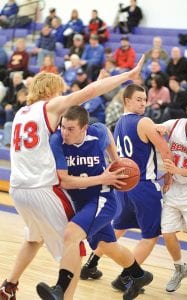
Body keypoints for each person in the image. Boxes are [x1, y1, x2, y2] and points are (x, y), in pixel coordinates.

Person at [0, 56, 145, 300]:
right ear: (52, 91)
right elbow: (87, 93)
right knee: (74, 249)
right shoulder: (50, 107)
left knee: (33, 239)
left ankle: (8, 287)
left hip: (18, 189)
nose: (63, 95)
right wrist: (126, 76)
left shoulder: (20, 114)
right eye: (60, 91)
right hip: (42, 189)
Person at [38, 105, 154, 300]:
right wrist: (103, 177)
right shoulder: (57, 140)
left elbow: (107, 133)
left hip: (102, 199)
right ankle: (139, 275)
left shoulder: (96, 132)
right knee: (107, 246)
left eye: (71, 129)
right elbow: (65, 180)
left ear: (84, 128)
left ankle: (59, 289)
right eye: (63, 127)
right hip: (81, 201)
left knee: (71, 235)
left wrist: (117, 161)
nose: (65, 132)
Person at [81, 83, 173, 292]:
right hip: (144, 186)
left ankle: (91, 264)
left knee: (118, 228)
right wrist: (168, 178)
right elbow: (165, 151)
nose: (143, 103)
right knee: (150, 235)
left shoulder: (119, 123)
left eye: (145, 99)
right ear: (127, 101)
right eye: (139, 99)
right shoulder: (145, 121)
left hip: (123, 186)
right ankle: (127, 277)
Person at [157, 91, 187, 300]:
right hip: (174, 188)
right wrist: (158, 128)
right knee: (167, 233)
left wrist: (178, 171)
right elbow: (160, 128)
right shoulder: (175, 124)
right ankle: (180, 268)